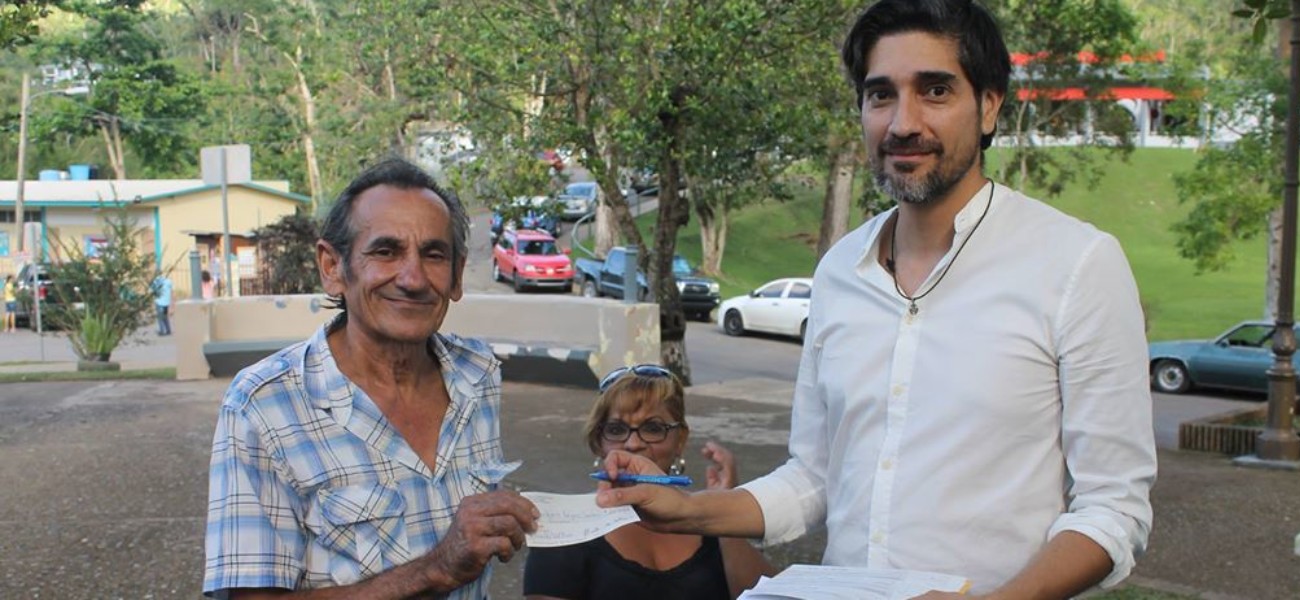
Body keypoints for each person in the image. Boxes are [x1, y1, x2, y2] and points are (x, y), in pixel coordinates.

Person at [596, 1, 1156, 598]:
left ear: (989, 106)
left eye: (935, 91)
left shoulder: (1076, 263)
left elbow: (1113, 507)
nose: (902, 123)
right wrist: (687, 511)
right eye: (881, 95)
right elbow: (816, 478)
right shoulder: (840, 270)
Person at [202, 158, 539, 599]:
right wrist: (434, 569)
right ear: (332, 267)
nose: (414, 278)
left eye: (434, 254)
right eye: (385, 251)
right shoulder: (264, 406)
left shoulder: (477, 372)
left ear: (456, 276)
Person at [523, 364, 775, 600]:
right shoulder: (564, 533)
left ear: (680, 440)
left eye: (653, 428)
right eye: (616, 429)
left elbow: (765, 595)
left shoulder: (706, 518)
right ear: (598, 442)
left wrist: (724, 517)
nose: (633, 444)